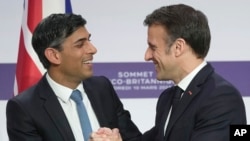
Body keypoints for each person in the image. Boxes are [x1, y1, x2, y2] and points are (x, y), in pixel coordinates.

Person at [90, 3, 247, 141]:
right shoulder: (169, 98)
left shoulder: (221, 98)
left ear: (178, 47)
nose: (147, 56)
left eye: (153, 47)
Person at [6, 13, 141, 141]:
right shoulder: (24, 108)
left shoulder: (102, 88)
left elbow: (133, 138)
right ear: (54, 55)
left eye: (89, 40)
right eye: (80, 44)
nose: (93, 49)